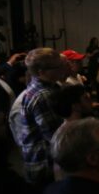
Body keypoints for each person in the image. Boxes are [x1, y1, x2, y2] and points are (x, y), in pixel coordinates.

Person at [10, 48, 66, 185]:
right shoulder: (43, 95)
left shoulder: (45, 88)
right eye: (57, 66)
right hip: (45, 166)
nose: (62, 68)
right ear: (41, 72)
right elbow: (56, 136)